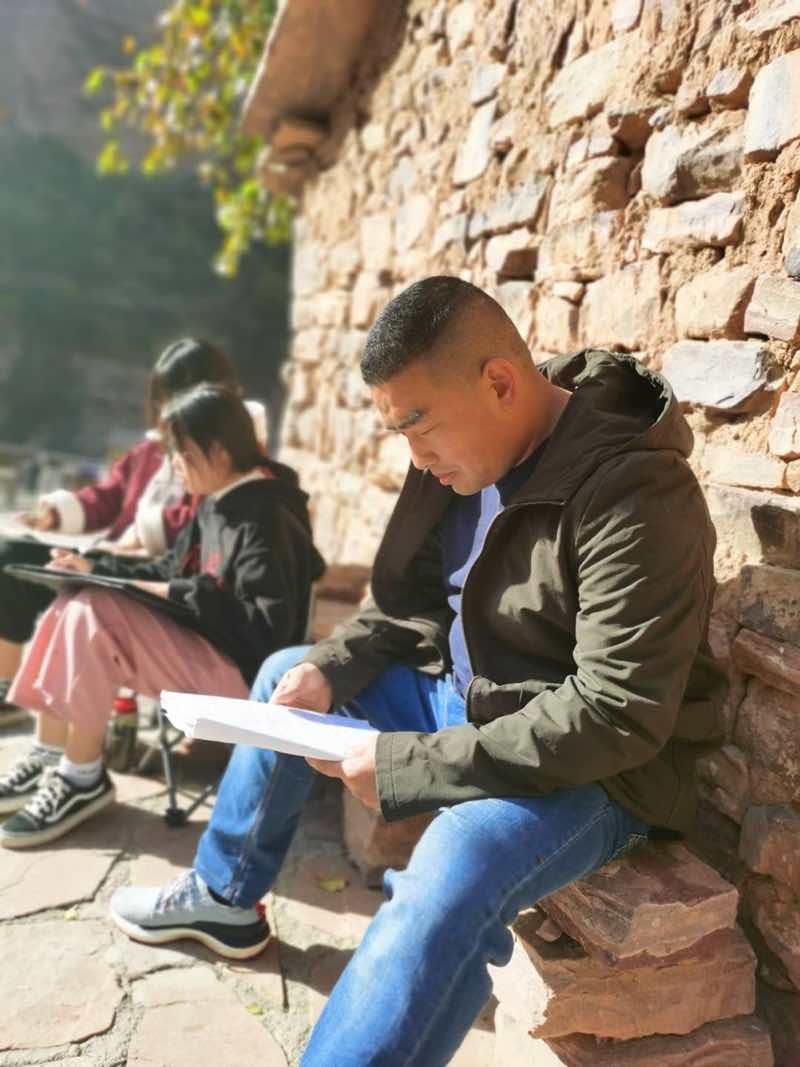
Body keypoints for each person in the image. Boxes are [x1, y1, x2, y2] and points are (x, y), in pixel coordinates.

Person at [110, 276, 727, 1064]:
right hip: (463, 698)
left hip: (598, 771)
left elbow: (616, 712)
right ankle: (225, 896)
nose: (415, 456)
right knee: (286, 677)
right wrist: (332, 667)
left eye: (418, 426)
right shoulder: (463, 457)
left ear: (499, 382)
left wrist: (411, 765)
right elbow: (410, 606)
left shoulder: (635, 491)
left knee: (453, 862)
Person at [0, 385, 324, 848]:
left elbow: (265, 628)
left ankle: (81, 776)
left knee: (97, 611)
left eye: (183, 453)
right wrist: (95, 568)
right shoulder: (216, 501)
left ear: (218, 452)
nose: (174, 465)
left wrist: (171, 592)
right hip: (210, 657)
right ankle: (52, 756)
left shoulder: (266, 514)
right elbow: (169, 569)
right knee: (75, 595)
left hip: (248, 678)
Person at [0, 337, 268, 727]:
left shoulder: (220, 459)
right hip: (116, 559)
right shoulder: (149, 452)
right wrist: (55, 515)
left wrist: (134, 544)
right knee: (10, 556)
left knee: (77, 590)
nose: (165, 406)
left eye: (175, 393)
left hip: (156, 576)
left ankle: (71, 740)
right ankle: (8, 689)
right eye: (163, 395)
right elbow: (108, 495)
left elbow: (202, 533)